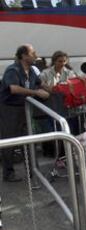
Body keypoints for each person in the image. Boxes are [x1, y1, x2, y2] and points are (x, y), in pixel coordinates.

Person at [0, 44, 50, 182]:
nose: (36, 55)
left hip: (25, 109)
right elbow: (14, 89)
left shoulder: (31, 70)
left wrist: (52, 89)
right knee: (9, 141)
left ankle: (33, 171)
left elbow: (40, 83)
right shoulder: (13, 70)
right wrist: (35, 92)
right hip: (10, 109)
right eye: (33, 53)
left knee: (29, 139)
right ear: (24, 56)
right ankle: (8, 174)